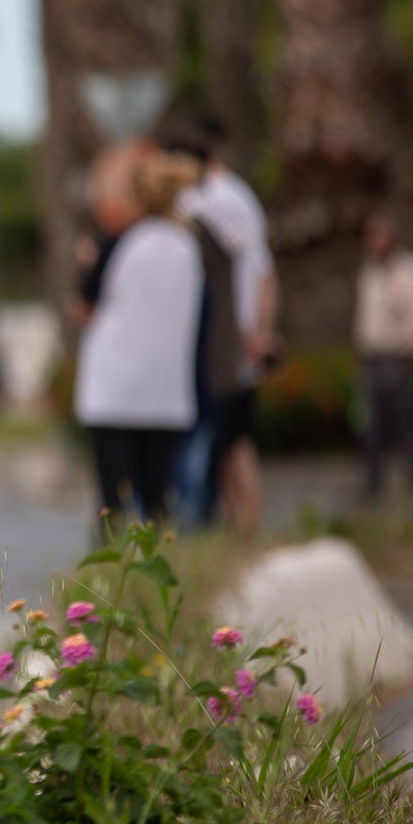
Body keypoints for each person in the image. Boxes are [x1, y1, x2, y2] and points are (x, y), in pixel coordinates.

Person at [73, 151, 205, 528]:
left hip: (113, 390)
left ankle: (105, 583)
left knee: (111, 504)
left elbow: (84, 308)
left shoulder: (118, 242)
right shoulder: (187, 247)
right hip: (166, 391)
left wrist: (86, 265)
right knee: (158, 503)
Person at [172, 115, 277, 536]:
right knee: (232, 444)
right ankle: (242, 532)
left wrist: (255, 332)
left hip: (227, 342)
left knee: (232, 445)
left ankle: (247, 532)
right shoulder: (235, 196)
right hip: (233, 338)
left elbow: (260, 275)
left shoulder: (213, 201)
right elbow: (265, 272)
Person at [355, 211, 413, 501]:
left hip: (397, 360)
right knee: (372, 427)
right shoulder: (370, 271)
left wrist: (411, 353)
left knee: (406, 423)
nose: (373, 242)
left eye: (378, 235)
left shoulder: (405, 271)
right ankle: (373, 484)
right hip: (372, 358)